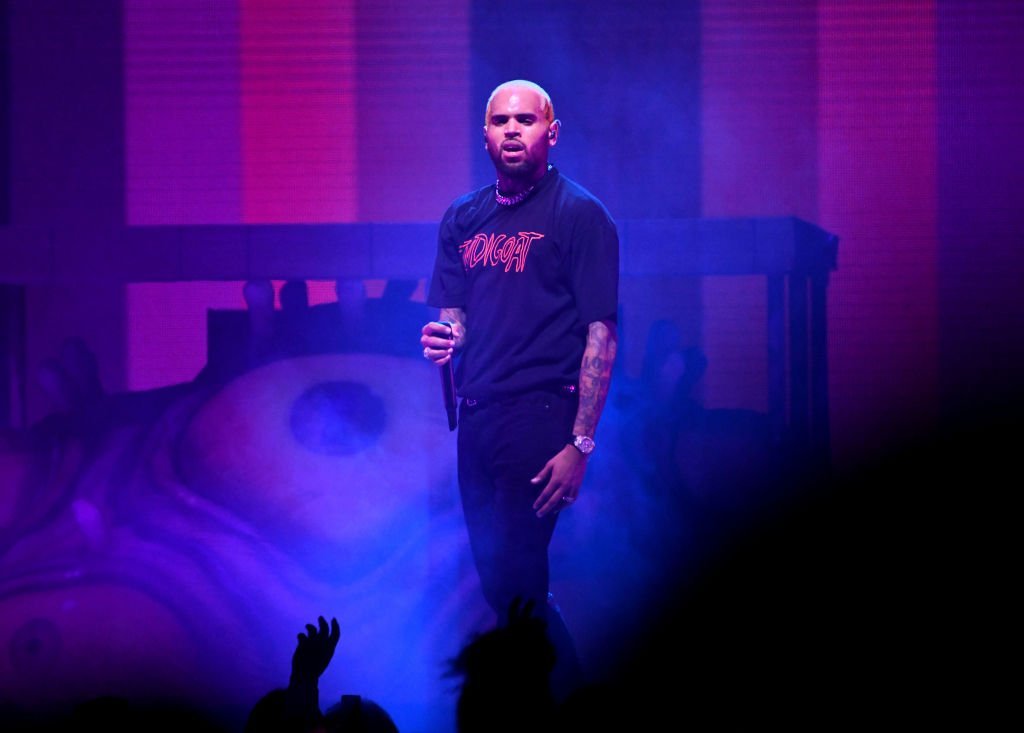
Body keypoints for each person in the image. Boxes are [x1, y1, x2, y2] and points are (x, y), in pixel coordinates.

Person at [420, 79, 619, 699]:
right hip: (476, 420)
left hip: (539, 416)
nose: (512, 129)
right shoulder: (463, 217)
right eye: (501, 120)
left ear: (550, 133)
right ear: (484, 134)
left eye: (526, 120)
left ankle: (550, 704)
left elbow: (600, 335)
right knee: (498, 584)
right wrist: (443, 338)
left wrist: (579, 444)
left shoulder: (579, 215)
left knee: (519, 579)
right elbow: (455, 312)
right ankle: (556, 695)